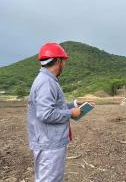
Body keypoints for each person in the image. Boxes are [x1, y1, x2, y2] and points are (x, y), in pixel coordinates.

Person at [27, 42, 92, 182]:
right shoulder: (46, 82)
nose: (64, 64)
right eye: (63, 61)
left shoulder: (48, 80)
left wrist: (74, 104)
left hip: (47, 139)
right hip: (49, 142)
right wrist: (71, 113)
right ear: (58, 61)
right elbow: (45, 114)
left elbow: (54, 106)